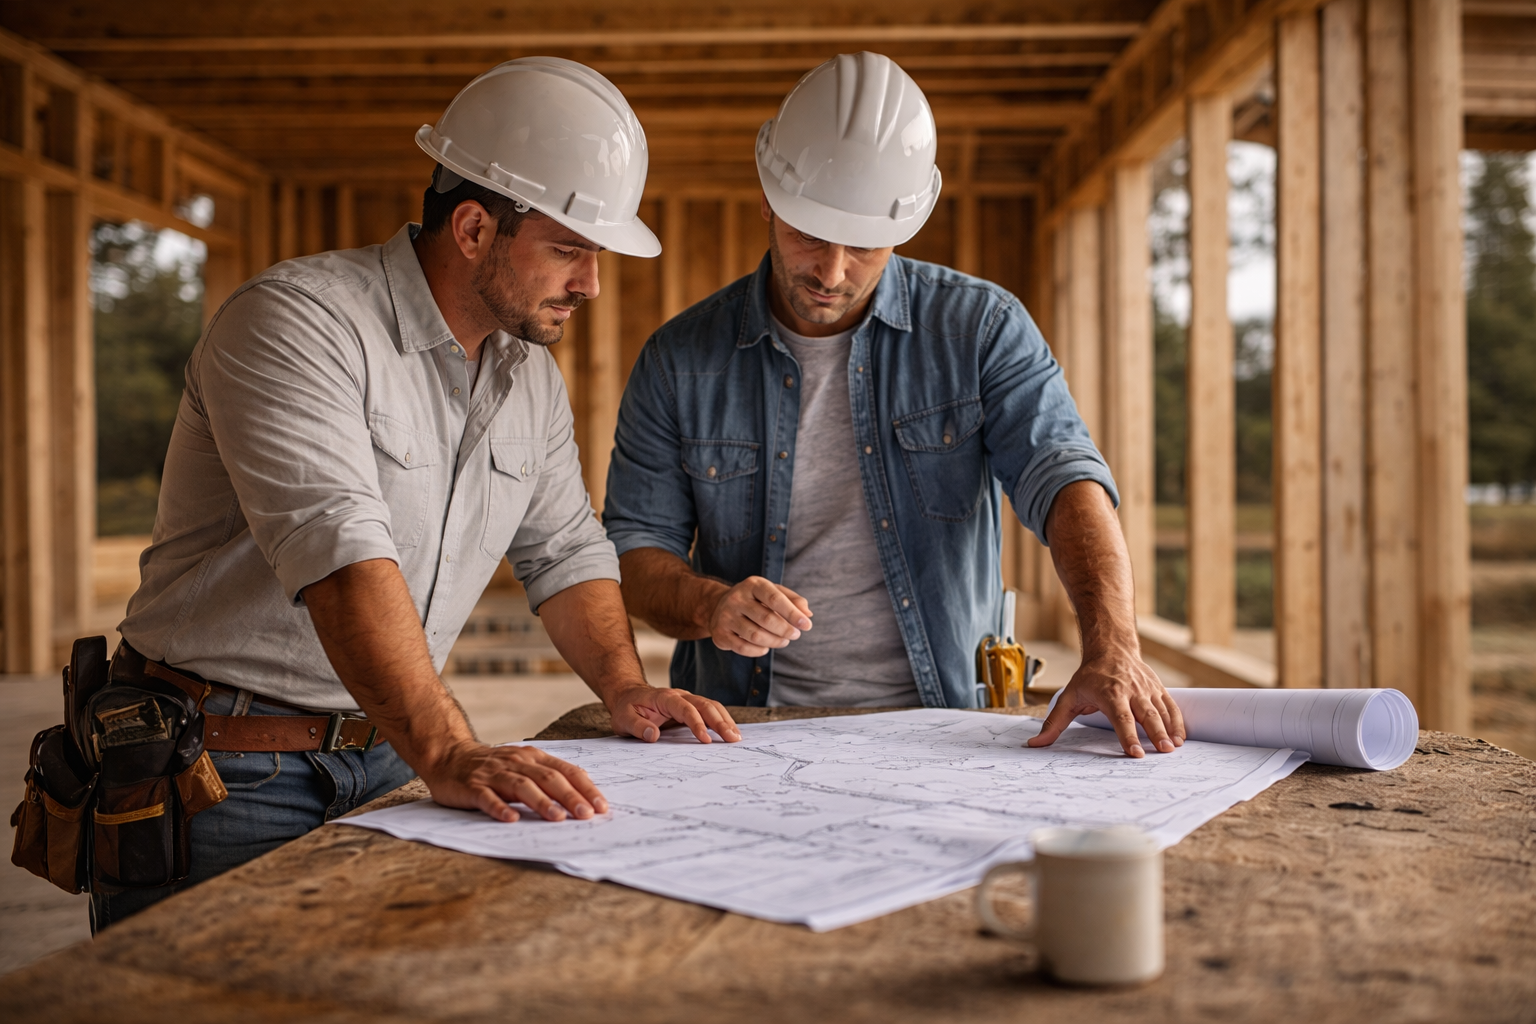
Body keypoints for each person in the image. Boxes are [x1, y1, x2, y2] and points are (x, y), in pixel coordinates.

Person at [95, 57, 739, 930]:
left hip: (387, 756)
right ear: (474, 227)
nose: (590, 283)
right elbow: (341, 553)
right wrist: (449, 750)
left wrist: (625, 687)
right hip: (225, 770)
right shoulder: (298, 323)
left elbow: (565, 551)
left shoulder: (527, 377)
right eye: (569, 249)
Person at [602, 52, 1184, 758]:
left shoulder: (981, 328)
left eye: (867, 245)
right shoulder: (679, 360)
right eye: (809, 233)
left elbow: (1063, 479)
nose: (832, 270)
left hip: (945, 727)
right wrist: (710, 604)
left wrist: (1113, 644)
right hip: (742, 733)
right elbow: (635, 550)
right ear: (768, 196)